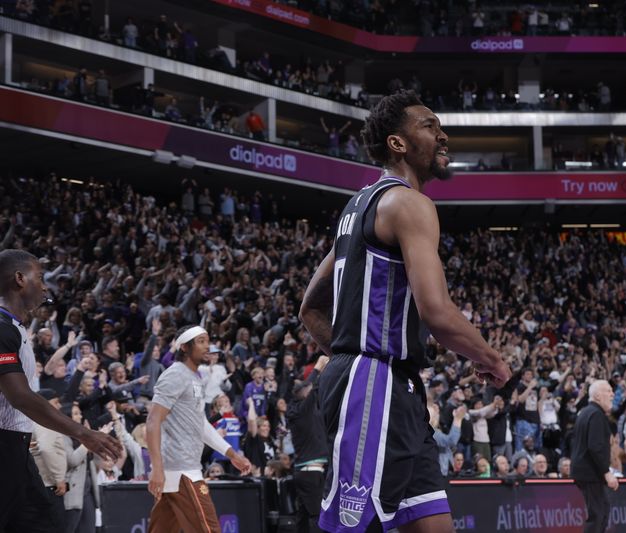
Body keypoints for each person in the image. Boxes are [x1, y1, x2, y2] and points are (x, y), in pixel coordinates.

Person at [300, 90, 511, 533]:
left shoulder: (357, 208)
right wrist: (490, 359)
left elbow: (311, 306)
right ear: (398, 143)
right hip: (374, 383)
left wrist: (347, 354)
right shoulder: (409, 203)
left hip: (392, 387)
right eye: (429, 126)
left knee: (433, 524)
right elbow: (436, 311)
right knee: (350, 526)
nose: (442, 135)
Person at [0, 249, 121, 532]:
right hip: (4, 447)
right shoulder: (1, 328)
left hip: (15, 448)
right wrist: (82, 432)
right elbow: (20, 396)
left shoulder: (13, 328)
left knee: (45, 522)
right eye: (40, 278)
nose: (44, 286)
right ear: (20, 278)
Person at [146, 325, 252, 532]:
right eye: (201, 341)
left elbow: (201, 425)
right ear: (184, 347)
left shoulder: (195, 377)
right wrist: (156, 468)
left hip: (180, 469)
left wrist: (231, 454)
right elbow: (152, 421)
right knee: (209, 529)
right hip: (181, 469)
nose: (207, 346)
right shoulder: (175, 374)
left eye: (208, 341)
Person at [287, 354, 330, 533]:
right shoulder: (298, 411)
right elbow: (312, 389)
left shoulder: (311, 411)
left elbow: (317, 391)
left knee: (303, 518)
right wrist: (318, 368)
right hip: (309, 472)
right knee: (317, 517)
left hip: (314, 471)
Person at [571, 380, 619, 533]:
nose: (613, 394)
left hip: (587, 472)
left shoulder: (586, 412)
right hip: (590, 473)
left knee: (602, 511)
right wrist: (607, 472)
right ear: (598, 396)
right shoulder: (596, 414)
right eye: (609, 391)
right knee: (597, 515)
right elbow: (595, 447)